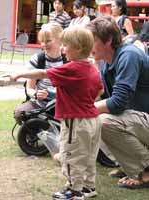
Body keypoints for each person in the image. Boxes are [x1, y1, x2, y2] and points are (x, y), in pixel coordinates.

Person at [6, 27, 104, 199]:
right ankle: (88, 187)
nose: (63, 49)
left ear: (78, 47)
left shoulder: (71, 68)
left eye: (66, 45)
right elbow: (100, 90)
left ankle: (73, 190)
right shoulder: (91, 68)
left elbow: (43, 73)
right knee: (88, 155)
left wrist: (19, 74)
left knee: (70, 154)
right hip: (93, 120)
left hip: (76, 121)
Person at [87, 15, 149, 189]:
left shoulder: (128, 55)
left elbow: (117, 103)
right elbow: (102, 95)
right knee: (93, 119)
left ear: (108, 40)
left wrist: (86, 109)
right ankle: (128, 165)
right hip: (141, 120)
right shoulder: (108, 60)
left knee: (104, 121)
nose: (88, 46)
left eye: (92, 41)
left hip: (144, 119)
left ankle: (145, 168)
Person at [14, 22, 67, 124]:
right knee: (19, 113)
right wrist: (36, 94)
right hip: (40, 103)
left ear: (60, 40)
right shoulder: (37, 59)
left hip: (61, 104)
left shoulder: (68, 59)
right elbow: (29, 88)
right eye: (42, 41)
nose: (43, 45)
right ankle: (35, 133)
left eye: (48, 41)